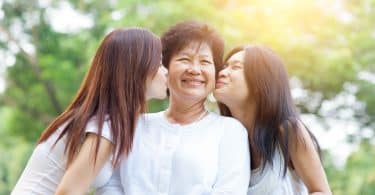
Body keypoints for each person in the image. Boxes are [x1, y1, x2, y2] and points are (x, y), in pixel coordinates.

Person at [96, 21, 250, 195]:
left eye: (205, 62)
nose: (195, 70)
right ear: (164, 67)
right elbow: (110, 184)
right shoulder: (133, 125)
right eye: (185, 59)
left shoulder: (230, 132)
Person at [11, 27, 168, 195]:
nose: (166, 71)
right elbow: (68, 193)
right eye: (159, 64)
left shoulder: (106, 120)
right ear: (136, 70)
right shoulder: (108, 125)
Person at [214, 45, 332, 195]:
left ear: (260, 81)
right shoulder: (221, 138)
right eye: (224, 67)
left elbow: (321, 191)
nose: (222, 73)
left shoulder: (288, 131)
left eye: (235, 67)